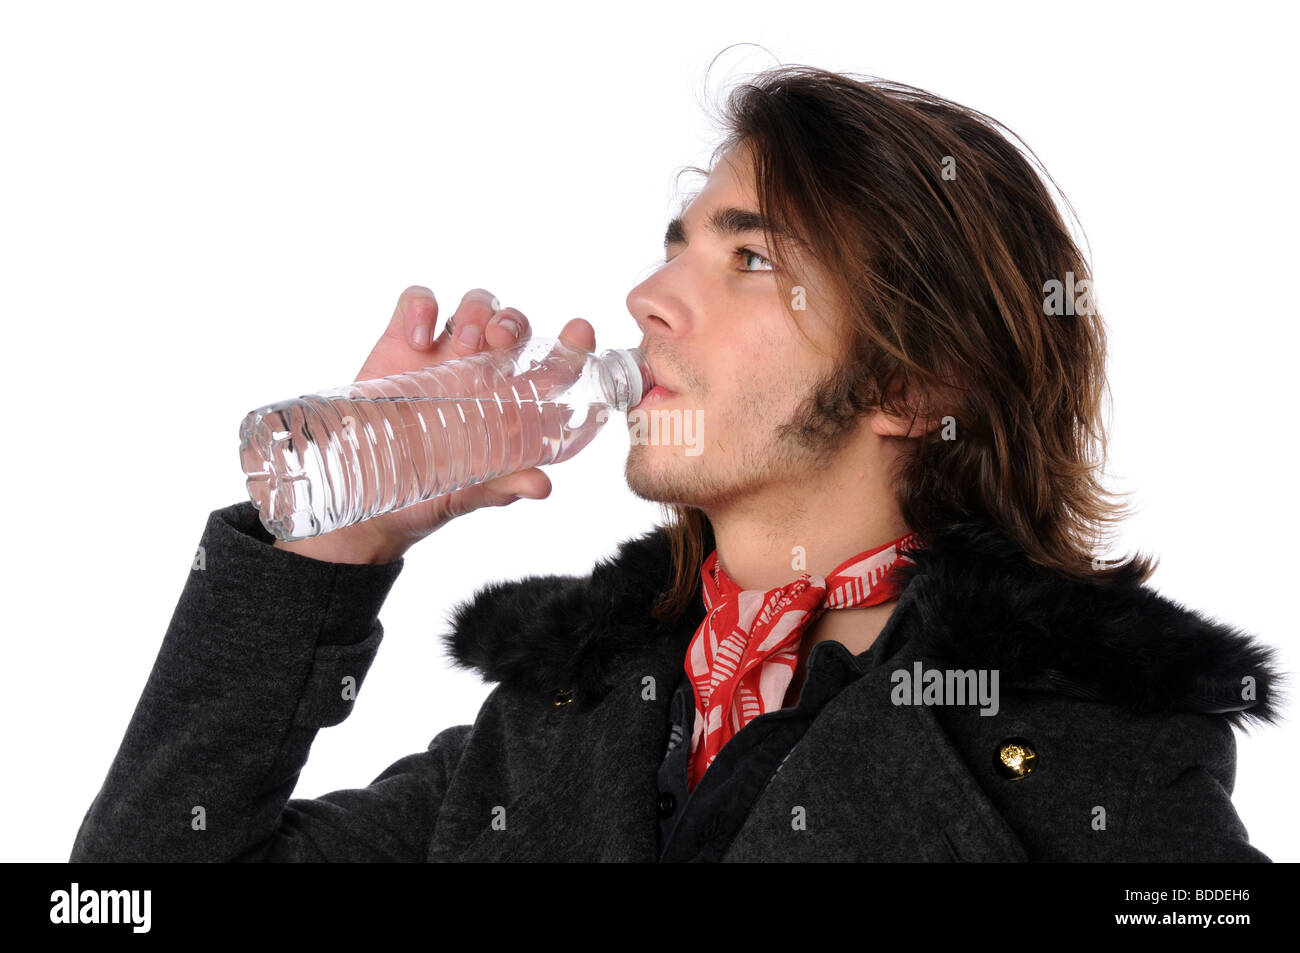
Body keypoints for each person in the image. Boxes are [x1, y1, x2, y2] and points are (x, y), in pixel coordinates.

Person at [70, 66, 1280, 863]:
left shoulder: (1095, 762)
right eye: (673, 250)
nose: (647, 299)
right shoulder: (546, 733)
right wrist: (328, 554)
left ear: (915, 384)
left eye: (749, 261)